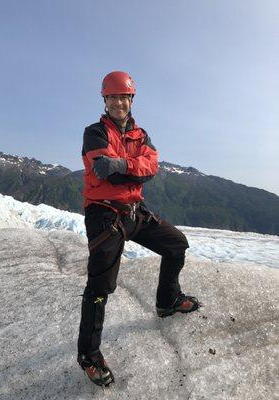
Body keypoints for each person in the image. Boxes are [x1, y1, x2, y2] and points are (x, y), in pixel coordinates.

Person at [77, 71, 200, 387]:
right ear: (105, 100)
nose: (118, 102)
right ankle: (89, 356)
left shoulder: (141, 134)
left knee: (176, 244)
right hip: (104, 214)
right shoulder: (94, 133)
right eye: (113, 97)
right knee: (101, 286)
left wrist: (123, 166)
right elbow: (108, 172)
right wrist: (131, 169)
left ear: (131, 100)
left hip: (135, 211)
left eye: (124, 97)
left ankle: (167, 300)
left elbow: (152, 167)